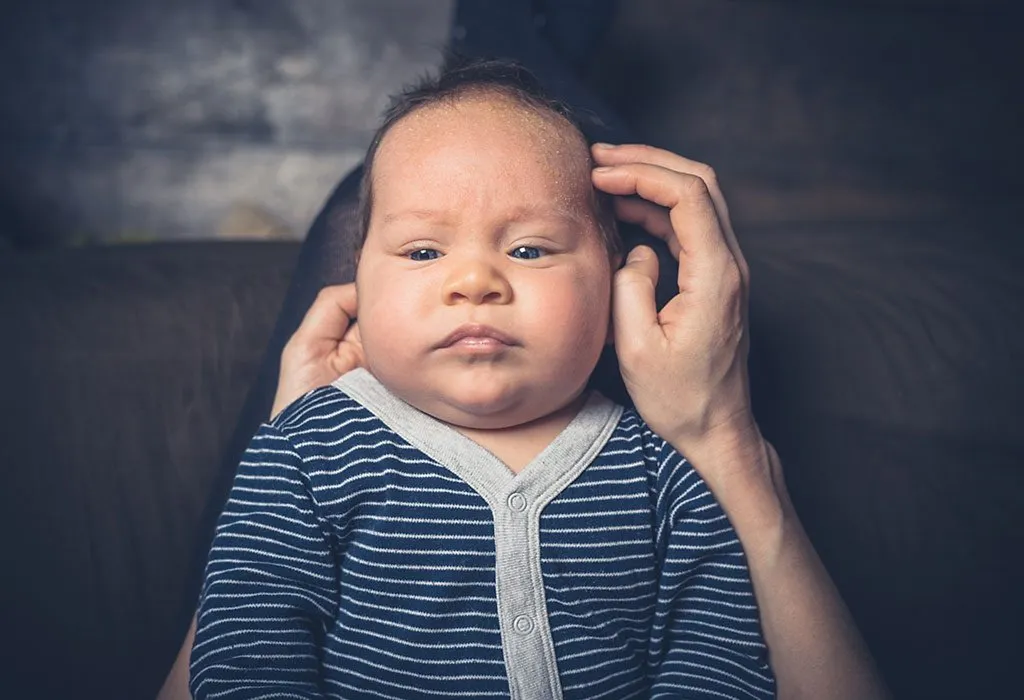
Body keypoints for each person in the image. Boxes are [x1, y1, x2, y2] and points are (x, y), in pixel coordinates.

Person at [158, 5, 890, 700]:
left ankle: (498, 27)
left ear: (617, 294)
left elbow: (721, 659)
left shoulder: (664, 472)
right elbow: (246, 646)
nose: (474, 280)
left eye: (530, 247)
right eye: (421, 250)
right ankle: (508, 29)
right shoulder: (306, 449)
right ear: (353, 287)